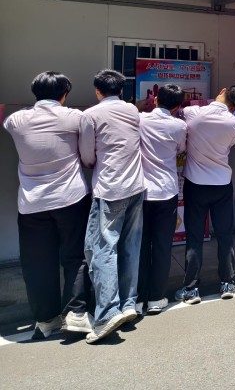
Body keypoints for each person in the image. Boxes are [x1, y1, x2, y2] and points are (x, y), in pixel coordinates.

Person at [3, 72, 92, 340]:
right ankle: (76, 313)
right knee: (75, 257)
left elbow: (4, 115)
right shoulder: (74, 117)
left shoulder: (16, 120)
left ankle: (46, 319)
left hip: (32, 204)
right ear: (64, 94)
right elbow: (87, 155)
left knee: (37, 263)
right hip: (71, 198)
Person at [79, 69, 145, 344]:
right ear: (122, 89)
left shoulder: (90, 115)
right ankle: (129, 304)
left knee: (101, 249)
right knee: (130, 246)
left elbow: (87, 156)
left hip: (109, 189)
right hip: (136, 186)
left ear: (97, 91)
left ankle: (107, 313)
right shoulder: (132, 111)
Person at [174, 86, 235, 305]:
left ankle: (191, 288)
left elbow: (180, 114)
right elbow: (230, 143)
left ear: (222, 91)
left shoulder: (194, 113)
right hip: (222, 183)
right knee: (224, 235)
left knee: (194, 236)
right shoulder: (234, 124)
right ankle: (227, 282)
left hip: (196, 184)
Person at [137, 83, 187, 315]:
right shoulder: (179, 126)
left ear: (155, 99)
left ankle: (137, 299)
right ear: (178, 106)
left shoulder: (140, 120)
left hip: (141, 190)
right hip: (167, 190)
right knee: (162, 245)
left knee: (139, 245)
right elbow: (180, 149)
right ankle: (156, 298)